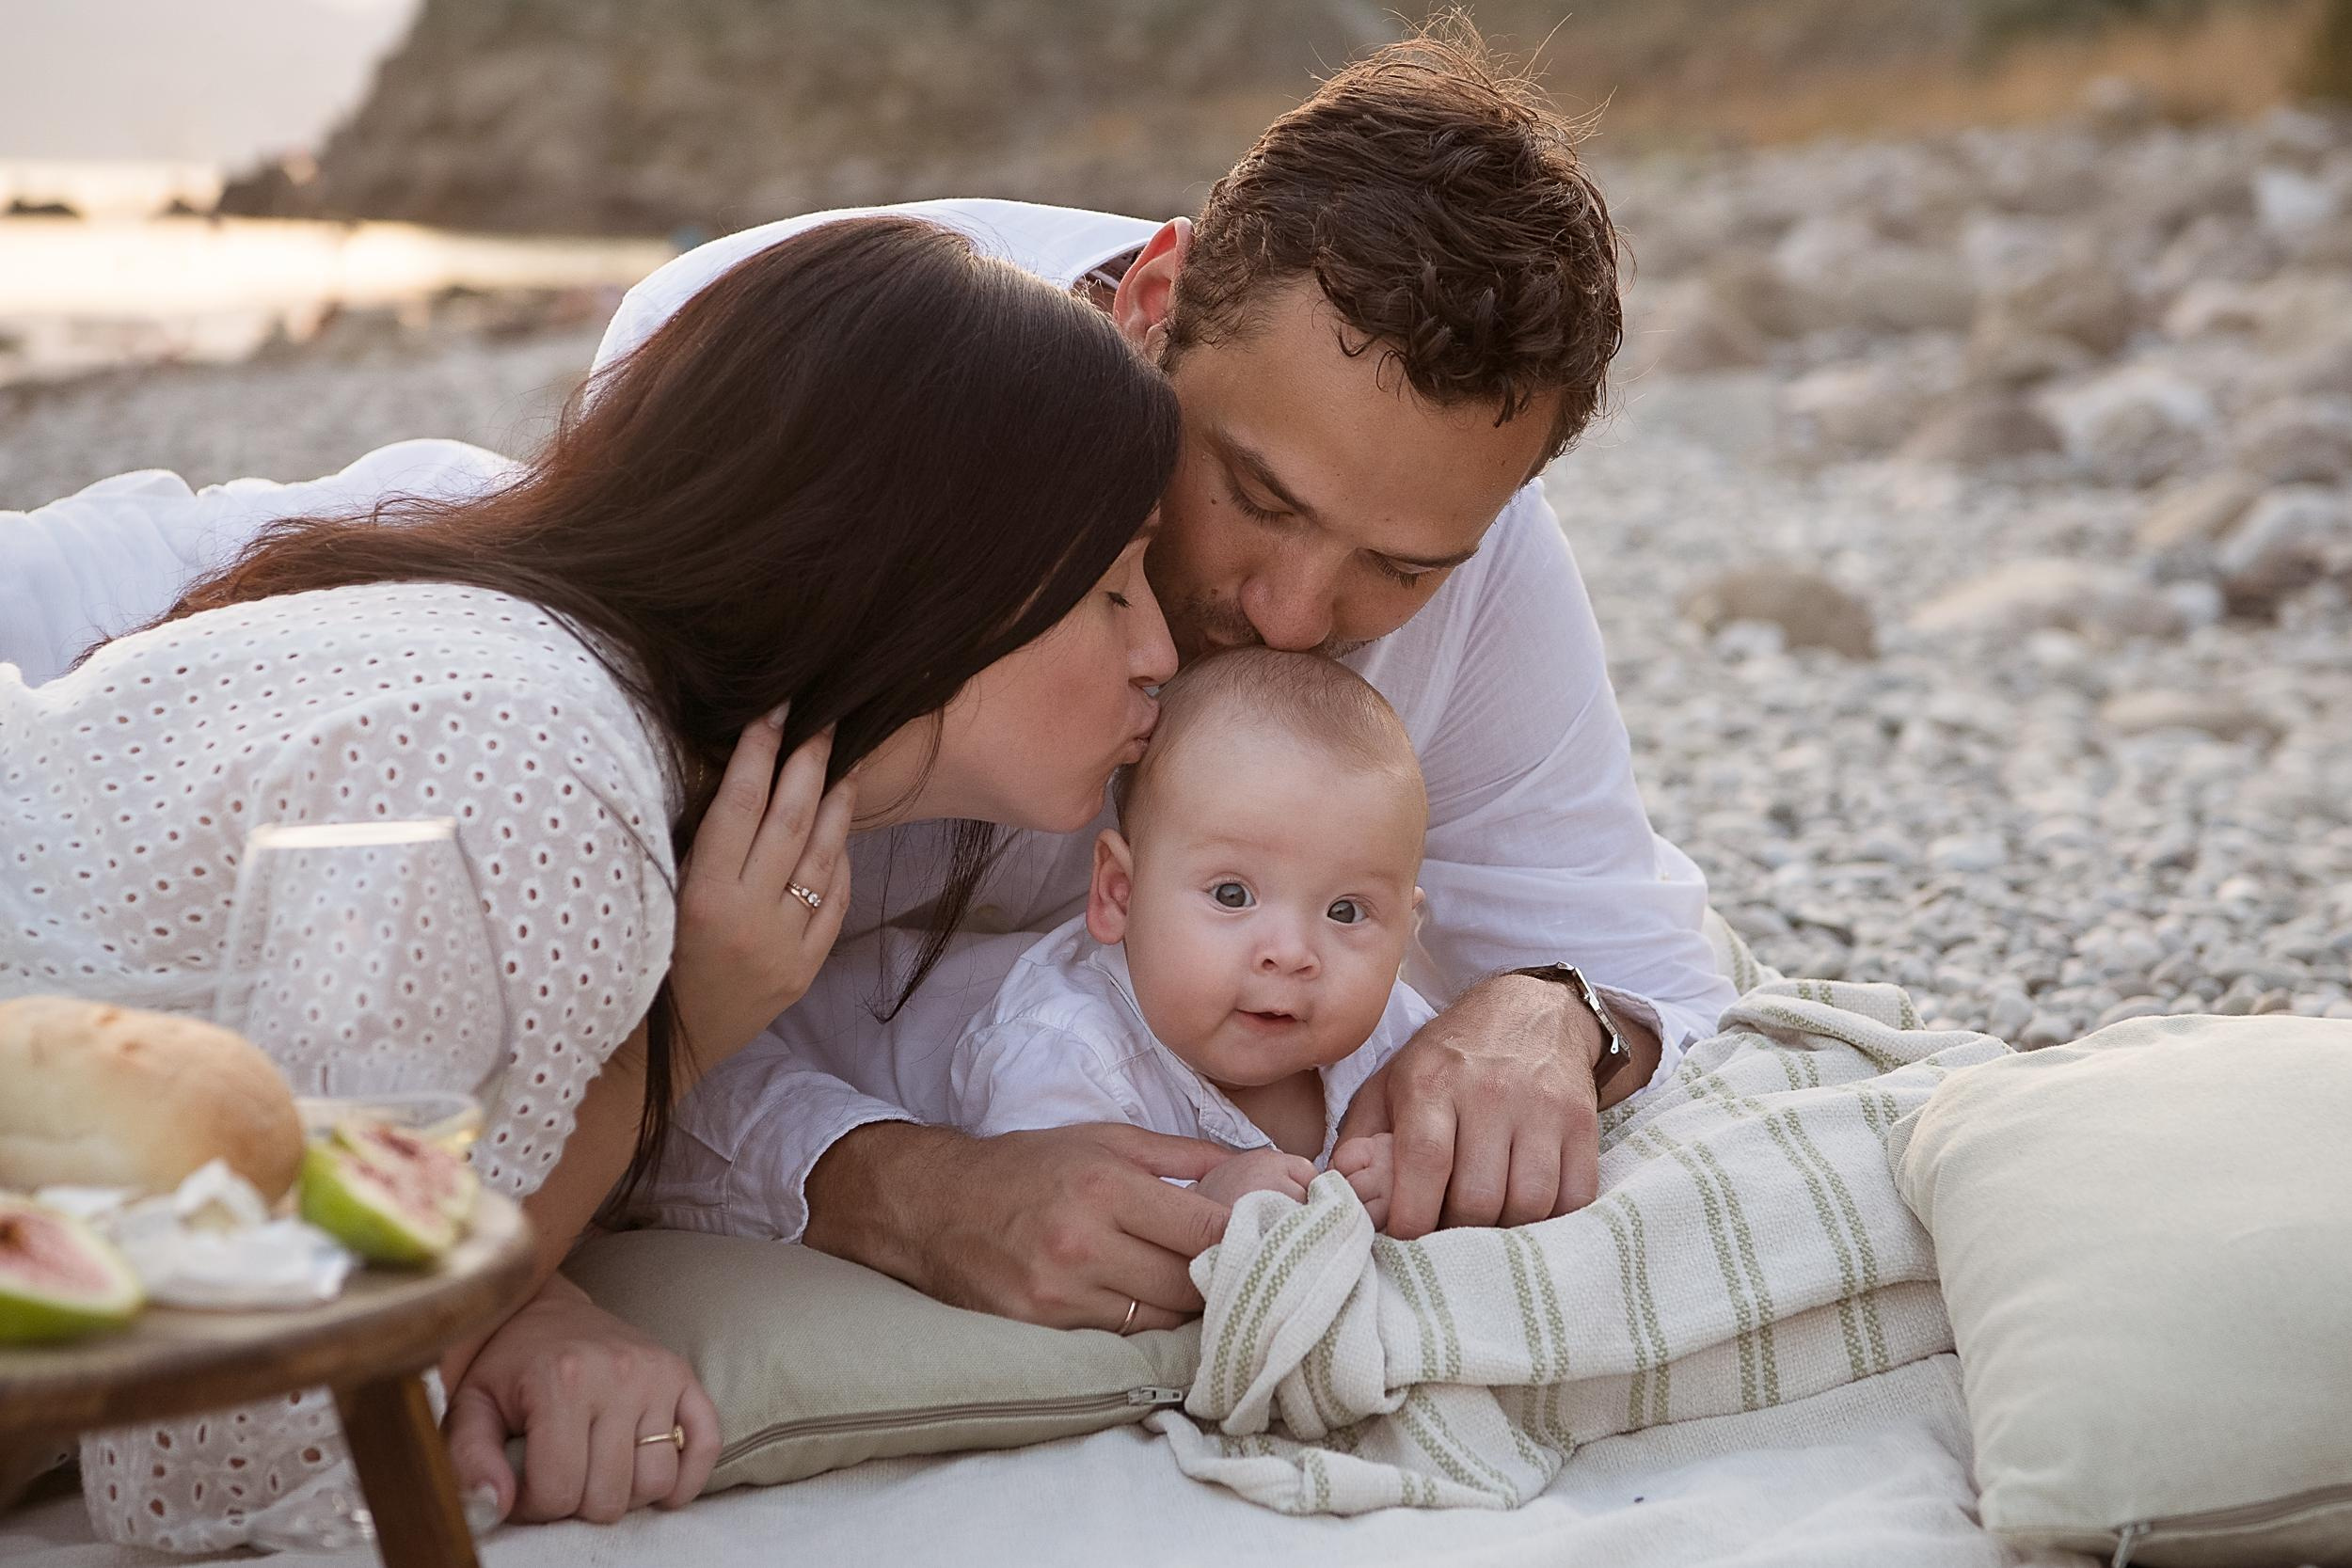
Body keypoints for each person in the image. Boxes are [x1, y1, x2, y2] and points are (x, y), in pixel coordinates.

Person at [0, 215, 1184, 1547]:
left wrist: (539, 1276)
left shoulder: (526, 672)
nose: (1162, 651)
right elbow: (246, 1444)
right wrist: (674, 1045)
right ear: (940, 572)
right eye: (1118, 582)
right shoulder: (549, 774)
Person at [599, 26, 1740, 1343]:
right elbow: (582, 994)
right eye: (1256, 497)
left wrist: (1554, 1014)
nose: (1293, 614)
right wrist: (896, 1187)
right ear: (1152, 303)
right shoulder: (798, 389)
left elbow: (1652, 964)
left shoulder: (1479, 559)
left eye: (1397, 568)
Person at [947, 649, 1431, 1235]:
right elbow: (1049, 1214)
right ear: (1120, 894)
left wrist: (1413, 1175)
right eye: (1232, 896)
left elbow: (1458, 1148)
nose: (1291, 952)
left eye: (1346, 911)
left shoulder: (1398, 1043)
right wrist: (1202, 1196)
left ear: (1405, 932)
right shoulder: (1063, 1051)